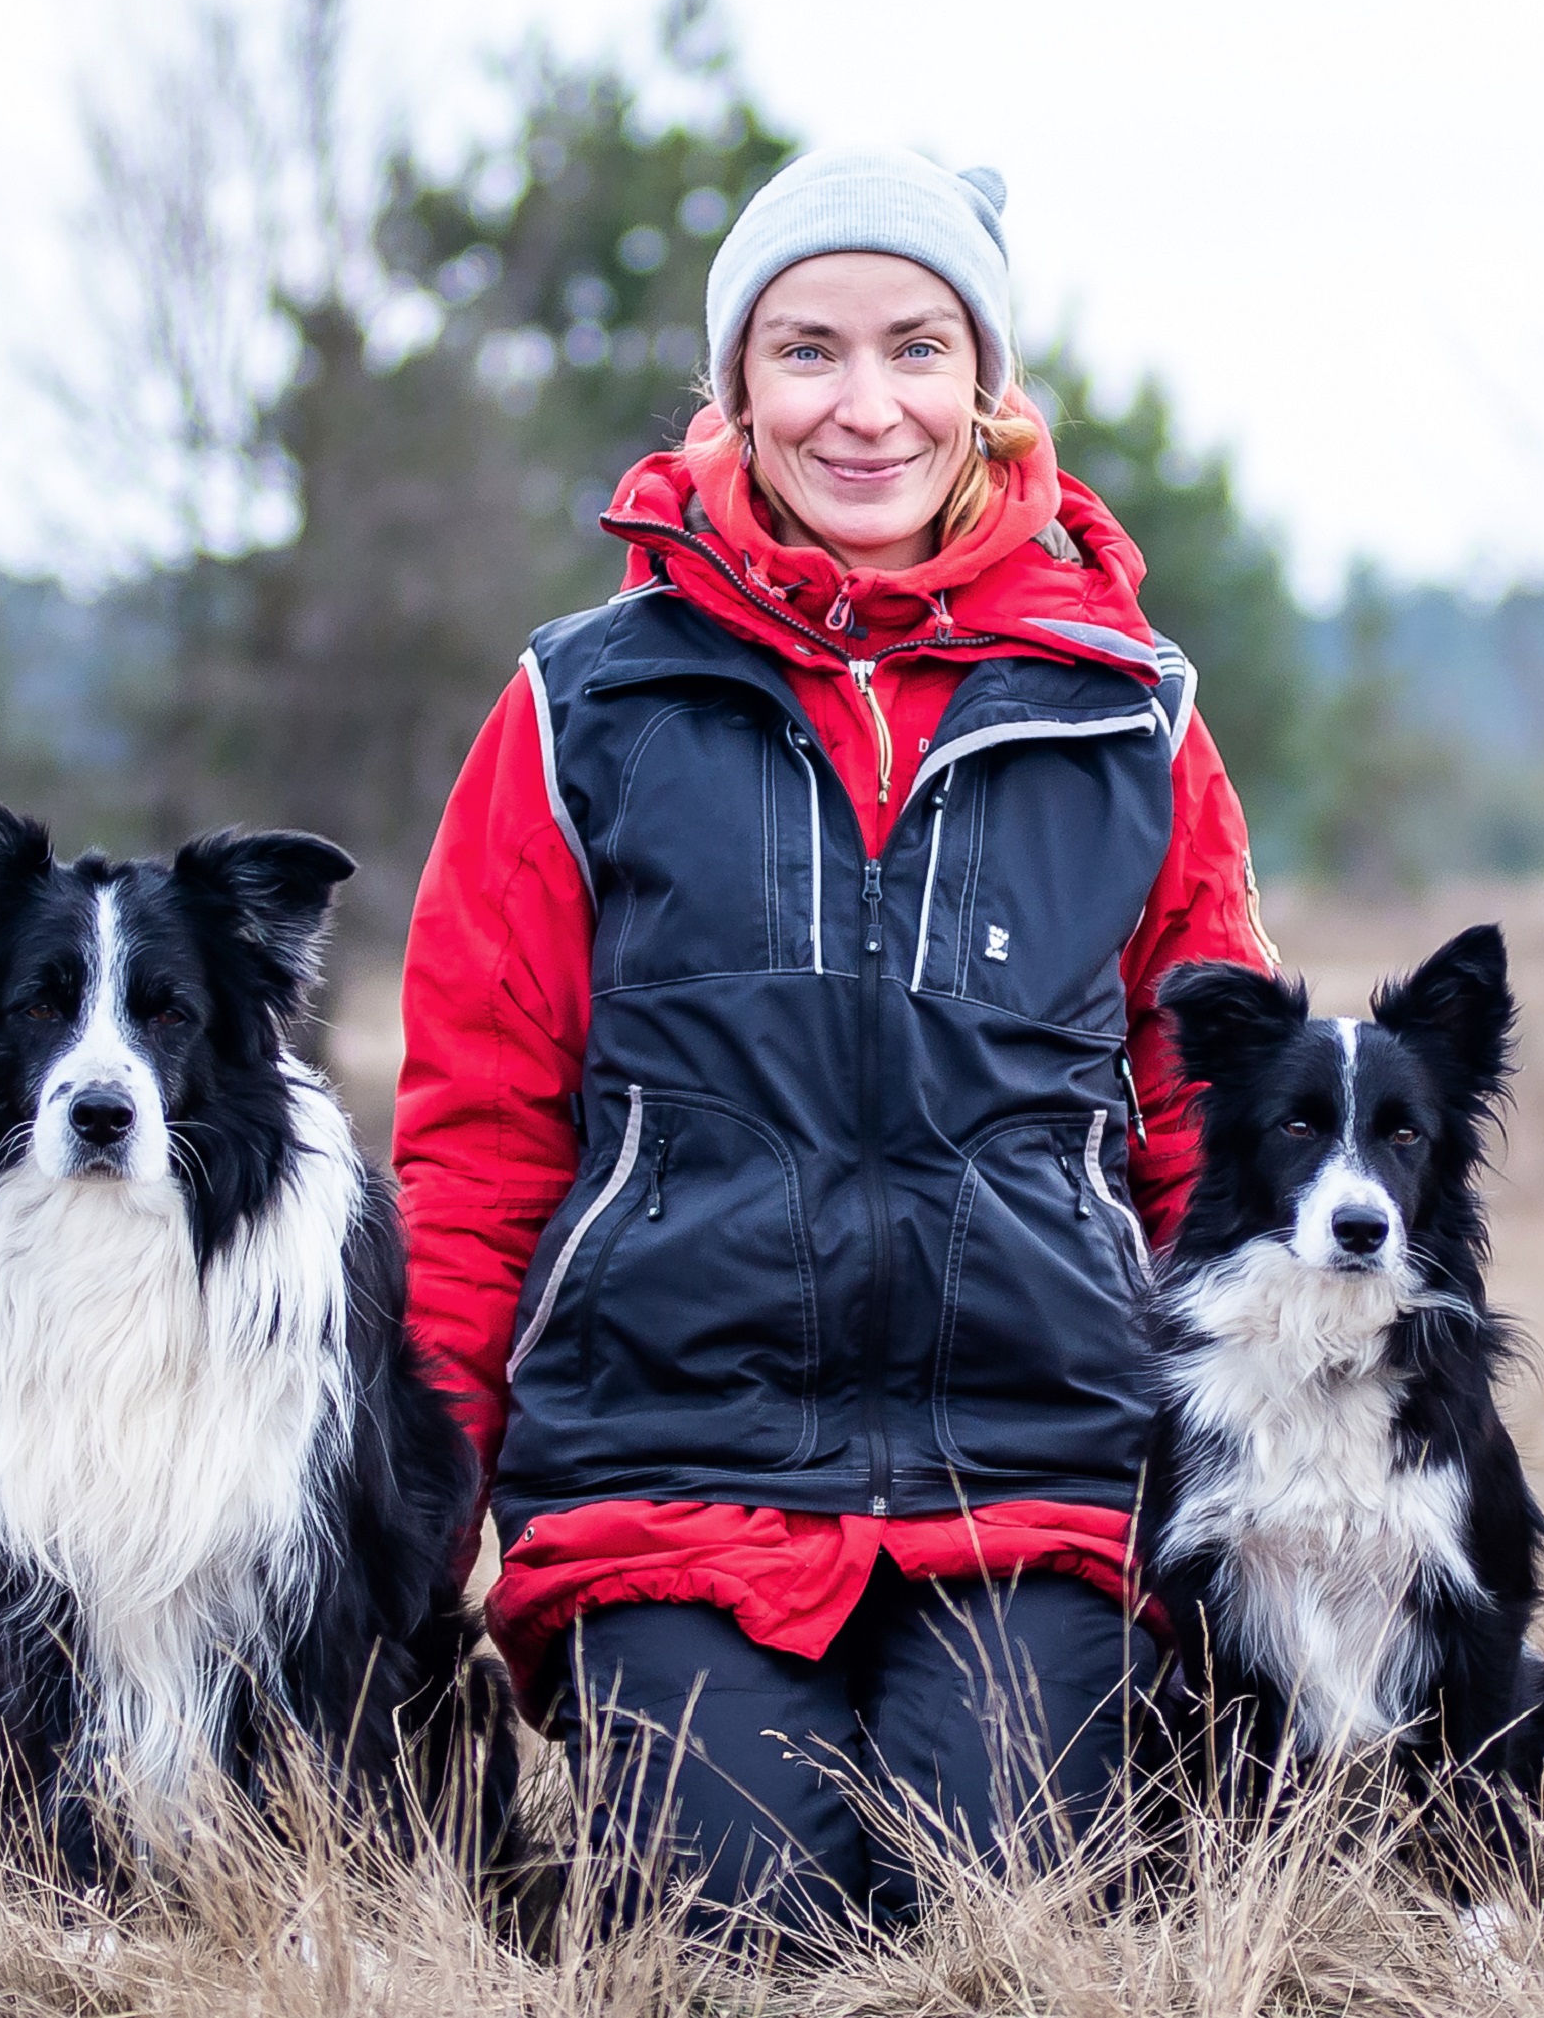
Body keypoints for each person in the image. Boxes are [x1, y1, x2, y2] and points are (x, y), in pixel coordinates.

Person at [395, 146, 1276, 1929]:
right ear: (735, 388)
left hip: (1038, 1482)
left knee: (992, 1906)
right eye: (807, 351)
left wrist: (1250, 1505)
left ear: (985, 387)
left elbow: (1223, 1143)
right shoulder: (583, 708)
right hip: (673, 1482)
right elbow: (478, 1141)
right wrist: (413, 1528)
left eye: (917, 348)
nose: (864, 407)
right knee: (741, 1923)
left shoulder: (1130, 720)